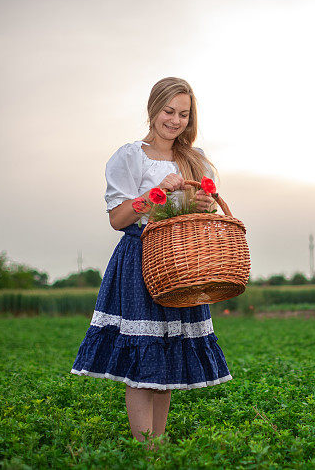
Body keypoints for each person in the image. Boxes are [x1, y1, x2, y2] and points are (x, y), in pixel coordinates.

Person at [70, 77, 232, 451]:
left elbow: (199, 212)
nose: (174, 120)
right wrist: (156, 193)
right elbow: (118, 218)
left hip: (180, 262)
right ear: (153, 109)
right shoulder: (130, 156)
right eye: (168, 111)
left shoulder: (195, 158)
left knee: (167, 356)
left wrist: (203, 204)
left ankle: (156, 445)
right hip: (141, 260)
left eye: (183, 114)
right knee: (142, 365)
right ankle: (146, 448)